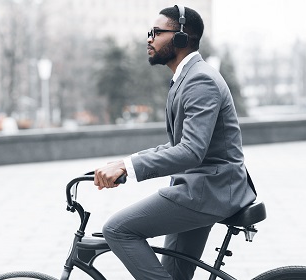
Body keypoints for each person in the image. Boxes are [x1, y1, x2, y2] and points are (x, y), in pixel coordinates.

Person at [94, 5, 256, 280]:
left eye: (156, 32)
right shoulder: (185, 79)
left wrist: (128, 167)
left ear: (181, 38)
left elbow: (190, 151)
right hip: (204, 189)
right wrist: (123, 164)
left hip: (208, 192)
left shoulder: (200, 80)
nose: (149, 38)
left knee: (118, 230)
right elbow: (178, 145)